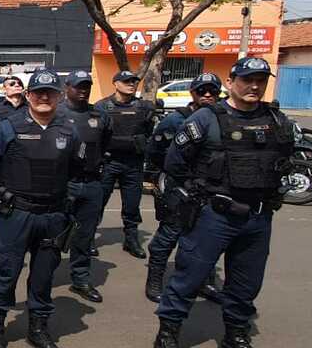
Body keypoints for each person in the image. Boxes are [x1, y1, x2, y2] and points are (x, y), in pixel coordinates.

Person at [153, 57, 291, 348]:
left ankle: (235, 338)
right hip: (214, 215)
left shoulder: (276, 119)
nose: (254, 86)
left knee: (246, 285)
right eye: (247, 79)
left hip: (257, 217)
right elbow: (175, 163)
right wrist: (194, 199)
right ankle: (167, 337)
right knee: (189, 277)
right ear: (232, 81)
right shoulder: (206, 119)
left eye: (260, 80)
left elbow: (284, 160)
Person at [0, 70, 85, 348]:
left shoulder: (69, 130)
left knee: (43, 277)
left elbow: (78, 169)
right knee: (6, 273)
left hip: (52, 216)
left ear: (59, 96)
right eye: (38, 92)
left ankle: (38, 329)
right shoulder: (8, 127)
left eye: (50, 92)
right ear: (28, 96)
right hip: (17, 214)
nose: (44, 97)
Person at [146, 73, 224, 303]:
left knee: (207, 239)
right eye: (202, 91)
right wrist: (168, 180)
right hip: (180, 187)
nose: (207, 95)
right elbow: (156, 151)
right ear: (193, 93)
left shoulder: (222, 120)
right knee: (168, 235)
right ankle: (154, 280)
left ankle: (205, 281)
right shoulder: (176, 119)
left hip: (210, 190)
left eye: (212, 91)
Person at [56, 70, 112, 302]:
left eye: (87, 86)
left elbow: (105, 143)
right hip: (63, 184)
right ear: (66, 87)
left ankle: (80, 279)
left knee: (85, 235)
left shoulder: (99, 116)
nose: (83, 90)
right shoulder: (56, 114)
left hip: (91, 183)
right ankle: (44, 275)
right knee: (53, 232)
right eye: (78, 85)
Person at [95, 69, 153, 259]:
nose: (131, 84)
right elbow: (95, 135)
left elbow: (148, 131)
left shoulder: (144, 107)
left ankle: (131, 239)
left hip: (133, 163)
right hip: (109, 162)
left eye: (134, 81)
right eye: (127, 81)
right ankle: (87, 238)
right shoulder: (102, 107)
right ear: (116, 83)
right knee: (98, 202)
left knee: (132, 204)